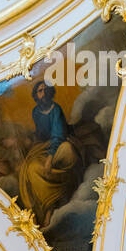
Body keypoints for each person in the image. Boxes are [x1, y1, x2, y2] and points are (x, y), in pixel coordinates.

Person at [17, 80, 81, 229]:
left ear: (50, 92)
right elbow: (40, 134)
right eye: (39, 91)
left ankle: (51, 208)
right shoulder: (35, 112)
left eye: (45, 90)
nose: (43, 93)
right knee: (31, 169)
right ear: (36, 95)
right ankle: (46, 208)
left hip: (59, 146)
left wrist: (50, 158)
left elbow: (58, 136)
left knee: (68, 151)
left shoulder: (55, 109)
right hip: (43, 147)